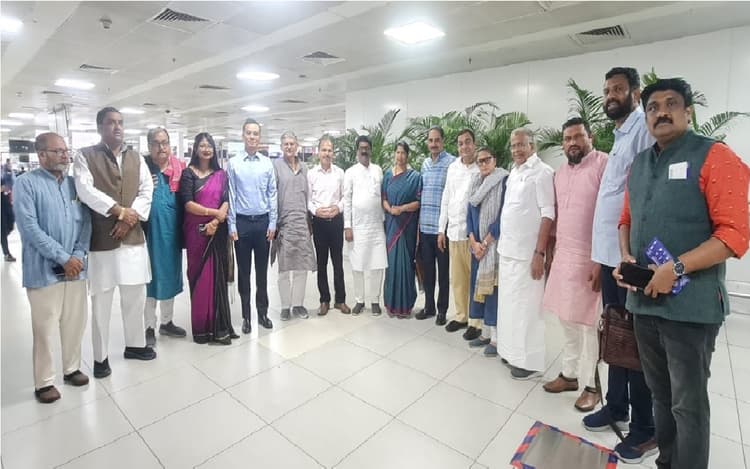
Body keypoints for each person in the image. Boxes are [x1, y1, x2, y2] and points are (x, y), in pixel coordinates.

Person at [616, 78, 750, 469]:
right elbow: (625, 219)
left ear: (688, 112)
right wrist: (625, 257)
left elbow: (735, 234)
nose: (661, 112)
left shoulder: (714, 156)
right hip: (644, 303)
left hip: (690, 307)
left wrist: (676, 268)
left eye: (671, 104)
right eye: (652, 107)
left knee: (687, 405)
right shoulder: (640, 164)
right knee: (660, 396)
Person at [583, 67, 656, 463]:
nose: (611, 95)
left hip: (630, 257)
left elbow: (645, 191)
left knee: (637, 343)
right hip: (610, 255)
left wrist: (633, 256)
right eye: (607, 89)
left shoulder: (643, 128)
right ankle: (617, 406)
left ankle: (646, 429)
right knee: (616, 334)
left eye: (619, 89)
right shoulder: (622, 133)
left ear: (635, 93)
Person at [74, 106, 155, 379]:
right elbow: (85, 190)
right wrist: (118, 211)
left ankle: (135, 345)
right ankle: (100, 358)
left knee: (135, 297)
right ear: (100, 127)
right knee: (102, 302)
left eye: (120, 122)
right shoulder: (85, 156)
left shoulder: (136, 157)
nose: (117, 127)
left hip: (133, 240)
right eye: (111, 122)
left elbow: (146, 190)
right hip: (103, 242)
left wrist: (129, 219)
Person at [14, 132, 91, 403]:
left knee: (75, 322)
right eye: (58, 151)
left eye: (66, 150)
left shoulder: (74, 185)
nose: (64, 155)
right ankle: (44, 382)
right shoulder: (26, 184)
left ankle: (72, 369)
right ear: (41, 155)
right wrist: (62, 258)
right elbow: (29, 227)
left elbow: (86, 223)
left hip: (76, 269)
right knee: (44, 328)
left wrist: (77, 256)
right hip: (43, 270)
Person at [542, 118, 607, 412]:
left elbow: (611, 214)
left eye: (578, 137)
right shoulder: (559, 173)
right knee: (566, 320)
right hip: (564, 257)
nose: (572, 143)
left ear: (590, 137)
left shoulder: (603, 165)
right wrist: (550, 251)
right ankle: (569, 375)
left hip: (591, 258)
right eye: (567, 138)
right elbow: (556, 215)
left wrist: (601, 261)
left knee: (590, 325)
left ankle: (592, 386)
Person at [496, 128, 554, 379]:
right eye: (513, 145)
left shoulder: (542, 172)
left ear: (533, 146)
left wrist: (539, 253)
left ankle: (529, 363)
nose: (516, 149)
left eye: (521, 144)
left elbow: (548, 214)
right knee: (510, 307)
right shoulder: (514, 172)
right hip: (508, 251)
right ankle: (511, 353)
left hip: (528, 255)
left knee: (528, 310)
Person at [180, 133, 238, 345]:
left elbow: (226, 199)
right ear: (195, 149)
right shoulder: (188, 174)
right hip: (197, 234)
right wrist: (213, 214)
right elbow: (188, 204)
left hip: (217, 232)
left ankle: (219, 327)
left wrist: (217, 220)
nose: (206, 149)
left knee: (217, 277)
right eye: (202, 146)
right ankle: (201, 329)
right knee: (199, 277)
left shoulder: (221, 174)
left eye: (209, 146)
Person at [227, 118, 276, 333]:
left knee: (262, 273)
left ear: (260, 137)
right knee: (244, 272)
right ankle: (246, 316)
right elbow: (231, 195)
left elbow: (272, 194)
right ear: (243, 135)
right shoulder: (234, 163)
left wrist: (273, 222)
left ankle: (262, 313)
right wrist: (232, 225)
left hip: (263, 223)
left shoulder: (267, 163)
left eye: (256, 133)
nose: (252, 137)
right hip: (242, 224)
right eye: (249, 133)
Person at [142, 127, 186, 346]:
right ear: (149, 146)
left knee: (170, 277)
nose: (161, 147)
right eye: (157, 143)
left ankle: (166, 322)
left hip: (171, 234)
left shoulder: (179, 169)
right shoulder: (142, 169)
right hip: (148, 235)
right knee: (149, 280)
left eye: (165, 143)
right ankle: (149, 326)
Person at [438, 129, 481, 337]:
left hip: (471, 234)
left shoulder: (480, 169)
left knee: (474, 280)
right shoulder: (453, 168)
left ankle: (476, 321)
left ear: (474, 144)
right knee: (458, 279)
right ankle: (461, 315)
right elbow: (446, 197)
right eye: (461, 143)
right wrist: (441, 229)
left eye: (468, 142)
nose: (464, 146)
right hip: (453, 232)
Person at [466, 148, 508, 356]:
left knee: (492, 293)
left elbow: (503, 216)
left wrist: (485, 243)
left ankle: (496, 339)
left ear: (495, 160)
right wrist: (473, 242)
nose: (483, 164)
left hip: (493, 247)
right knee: (479, 291)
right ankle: (484, 333)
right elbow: (468, 214)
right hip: (477, 249)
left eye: (486, 160)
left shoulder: (504, 181)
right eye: (479, 161)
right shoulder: (475, 183)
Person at [273, 131, 317, 321]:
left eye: (292, 143)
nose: (289, 147)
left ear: (297, 145)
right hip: (284, 223)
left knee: (301, 266)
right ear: (281, 146)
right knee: (284, 268)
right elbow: (272, 194)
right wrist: (274, 223)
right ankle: (285, 306)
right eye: (286, 144)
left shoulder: (305, 168)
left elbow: (309, 195)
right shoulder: (276, 166)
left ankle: (298, 304)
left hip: (302, 222)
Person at [343, 135, 387, 315]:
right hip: (358, 226)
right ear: (357, 151)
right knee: (357, 265)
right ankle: (359, 300)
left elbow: (382, 196)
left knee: (378, 264)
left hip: (376, 225)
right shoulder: (350, 172)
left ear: (371, 150)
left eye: (367, 148)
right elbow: (347, 200)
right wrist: (347, 226)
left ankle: (375, 300)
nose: (364, 151)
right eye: (361, 148)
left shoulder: (378, 170)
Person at [416, 126, 455, 325]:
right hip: (425, 228)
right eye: (430, 140)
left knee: (443, 273)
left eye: (437, 140)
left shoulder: (452, 163)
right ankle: (429, 306)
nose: (434, 144)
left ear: (443, 141)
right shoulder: (424, 164)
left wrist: (444, 227)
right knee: (428, 272)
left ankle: (442, 310)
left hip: (442, 230)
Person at [308, 135, 350, 315]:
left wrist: (337, 208)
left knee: (338, 262)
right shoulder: (311, 174)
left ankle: (340, 300)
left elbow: (345, 197)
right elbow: (308, 200)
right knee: (322, 263)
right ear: (318, 152)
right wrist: (315, 210)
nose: (327, 153)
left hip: (335, 221)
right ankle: (324, 300)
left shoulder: (340, 173)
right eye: (324, 150)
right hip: (319, 223)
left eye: (329, 150)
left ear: (333, 153)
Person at [382, 141, 421, 318]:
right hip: (392, 225)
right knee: (392, 265)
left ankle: (405, 306)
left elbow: (418, 202)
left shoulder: (415, 177)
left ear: (408, 155)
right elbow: (383, 199)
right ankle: (391, 304)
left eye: (403, 153)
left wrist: (402, 208)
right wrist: (390, 209)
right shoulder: (387, 175)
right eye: (397, 152)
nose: (400, 156)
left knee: (406, 265)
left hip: (407, 227)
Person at [1, 161, 16, 262]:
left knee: (10, 223)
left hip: (5, 201)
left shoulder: (5, 171)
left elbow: (12, 183)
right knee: (2, 229)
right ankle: (6, 253)